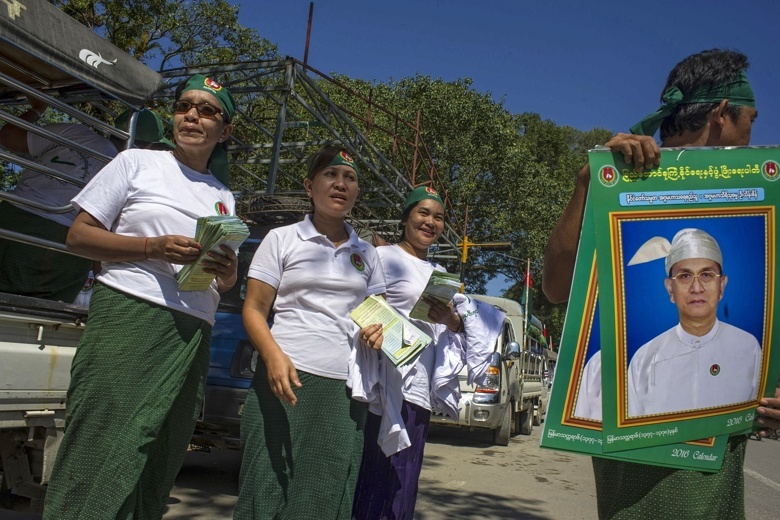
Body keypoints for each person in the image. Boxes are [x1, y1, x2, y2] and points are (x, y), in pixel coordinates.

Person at [542, 49, 780, 519]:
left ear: (724, 283)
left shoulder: (746, 342)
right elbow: (554, 287)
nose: (753, 132)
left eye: (706, 274)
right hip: (630, 498)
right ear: (720, 115)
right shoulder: (621, 184)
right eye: (749, 118)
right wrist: (589, 184)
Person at [41, 74, 238, 520]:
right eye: (185, 105)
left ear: (224, 131)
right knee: (103, 439)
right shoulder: (136, 163)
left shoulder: (224, 197)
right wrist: (152, 246)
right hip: (131, 311)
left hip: (194, 330)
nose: (192, 115)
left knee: (161, 450)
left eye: (208, 111)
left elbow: (226, 281)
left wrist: (227, 272)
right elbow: (79, 237)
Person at [234, 145, 386, 520]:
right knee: (266, 486)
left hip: (344, 389)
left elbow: (379, 318)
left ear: (356, 193)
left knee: (325, 491)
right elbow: (254, 308)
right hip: (284, 378)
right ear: (309, 186)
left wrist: (379, 333)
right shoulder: (281, 239)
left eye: (349, 178)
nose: (340, 184)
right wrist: (272, 356)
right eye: (330, 176)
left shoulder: (367, 254)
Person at [350, 186, 466, 520]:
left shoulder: (440, 275)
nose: (431, 222)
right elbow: (363, 307)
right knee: (377, 480)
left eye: (439, 217)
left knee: (404, 482)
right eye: (423, 213)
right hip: (389, 382)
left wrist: (451, 320)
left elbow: (451, 332)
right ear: (405, 218)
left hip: (420, 390)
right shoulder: (383, 257)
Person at [627, 228, 761, 416]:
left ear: (721, 285)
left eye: (706, 275)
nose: (696, 288)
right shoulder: (645, 358)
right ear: (670, 289)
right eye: (685, 276)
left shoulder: (749, 347)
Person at [0, 94, 119, 301]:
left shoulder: (73, 132)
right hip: (66, 243)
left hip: (14, 218)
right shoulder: (131, 169)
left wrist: (36, 110)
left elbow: (8, 136)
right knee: (44, 320)